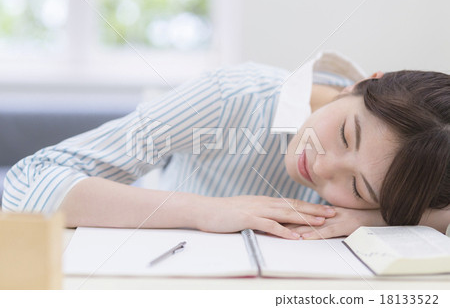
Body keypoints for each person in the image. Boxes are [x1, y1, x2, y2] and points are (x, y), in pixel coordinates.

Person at [2, 51, 449, 240]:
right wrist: (204, 210)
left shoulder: (405, 183)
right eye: (345, 135)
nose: (322, 163)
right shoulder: (231, 97)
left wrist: (397, 217)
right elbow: (27, 184)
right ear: (364, 82)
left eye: (356, 188)